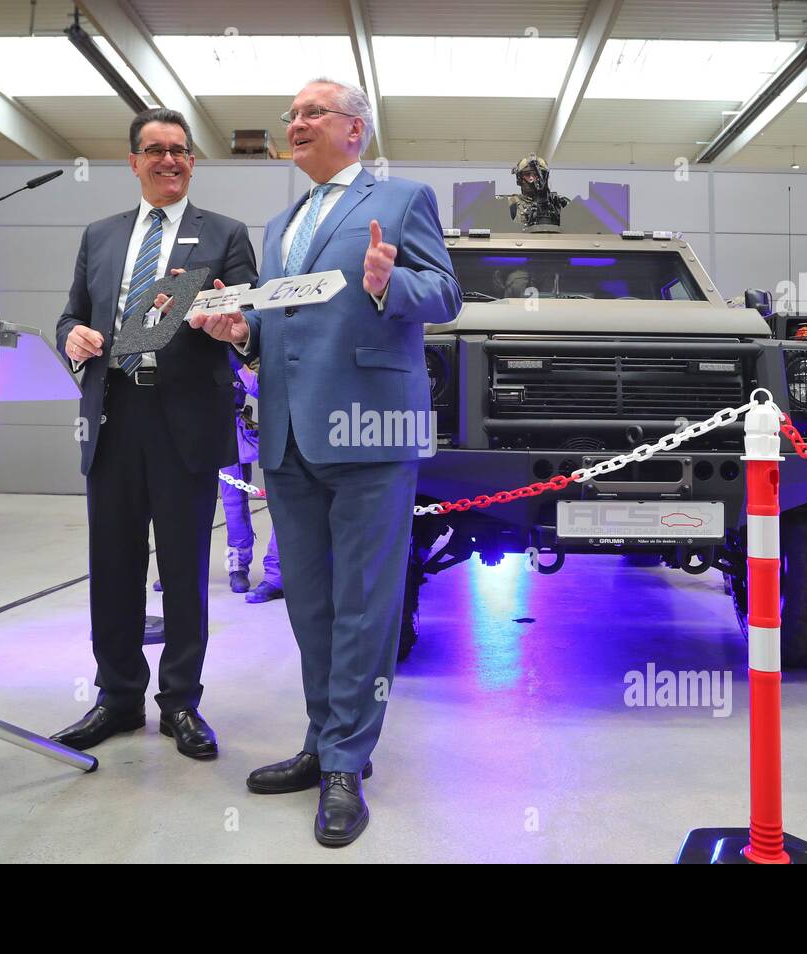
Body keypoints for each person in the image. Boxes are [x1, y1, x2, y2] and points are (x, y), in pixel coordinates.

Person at [191, 78, 460, 846]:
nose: (296, 123)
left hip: (370, 432)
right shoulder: (278, 227)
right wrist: (240, 333)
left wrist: (387, 282)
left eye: (312, 113)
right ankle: (323, 740)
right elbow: (281, 334)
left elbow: (445, 293)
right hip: (288, 436)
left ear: (355, 129)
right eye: (292, 115)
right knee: (309, 602)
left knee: (365, 606)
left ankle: (347, 759)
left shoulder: (402, 199)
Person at [51, 107, 257, 757]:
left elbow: (250, 318)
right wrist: (72, 340)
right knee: (112, 566)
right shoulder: (101, 236)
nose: (169, 159)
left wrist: (239, 330)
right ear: (133, 161)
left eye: (180, 150)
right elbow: (69, 318)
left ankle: (180, 703)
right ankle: (116, 698)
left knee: (184, 569)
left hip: (185, 422)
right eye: (155, 149)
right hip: (113, 418)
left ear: (192, 161)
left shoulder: (223, 234)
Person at [219, 355, 283, 603]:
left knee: (283, 502)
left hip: (274, 427)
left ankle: (276, 574)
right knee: (231, 504)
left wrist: (239, 366)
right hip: (211, 427)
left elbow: (263, 389)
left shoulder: (256, 330)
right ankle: (237, 565)